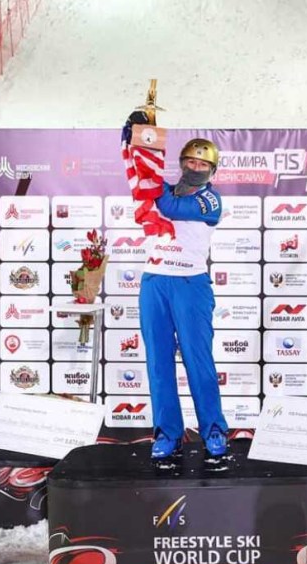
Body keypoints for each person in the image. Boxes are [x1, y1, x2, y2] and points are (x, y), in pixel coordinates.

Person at [122, 114, 229, 465]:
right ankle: (168, 433)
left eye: (203, 163)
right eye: (190, 161)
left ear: (212, 170)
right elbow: (141, 180)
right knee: (158, 363)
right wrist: (136, 143)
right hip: (155, 281)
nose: (195, 166)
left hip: (189, 284)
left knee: (199, 360)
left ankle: (213, 429)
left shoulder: (210, 201)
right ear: (181, 163)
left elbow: (167, 206)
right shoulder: (159, 188)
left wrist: (149, 183)